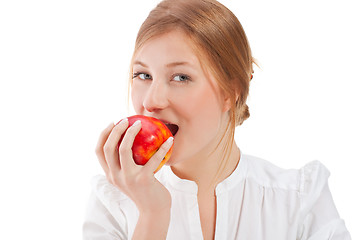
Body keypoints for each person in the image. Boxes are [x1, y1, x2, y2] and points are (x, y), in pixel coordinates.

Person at [83, 0, 351, 239]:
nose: (151, 101)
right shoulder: (113, 203)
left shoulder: (299, 200)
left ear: (230, 91)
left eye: (181, 77)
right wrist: (153, 214)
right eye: (143, 75)